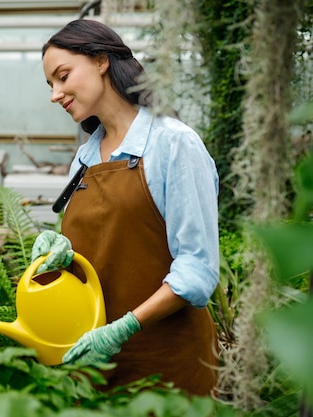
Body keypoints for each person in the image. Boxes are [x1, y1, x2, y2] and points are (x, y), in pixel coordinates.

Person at [31, 19, 219, 396]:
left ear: (101, 60)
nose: (55, 93)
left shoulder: (173, 144)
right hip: (93, 367)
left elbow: (197, 270)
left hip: (166, 367)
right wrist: (61, 252)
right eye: (50, 84)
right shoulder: (83, 159)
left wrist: (124, 327)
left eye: (63, 76)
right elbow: (100, 251)